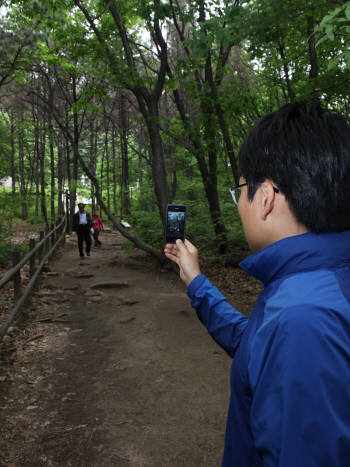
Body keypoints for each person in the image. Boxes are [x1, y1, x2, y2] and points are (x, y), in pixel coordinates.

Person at [164, 102, 350, 467]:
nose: (239, 204)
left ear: (265, 197)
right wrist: (197, 281)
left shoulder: (306, 318)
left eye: (241, 190)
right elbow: (259, 346)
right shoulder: (317, 284)